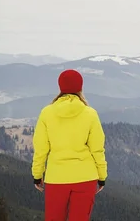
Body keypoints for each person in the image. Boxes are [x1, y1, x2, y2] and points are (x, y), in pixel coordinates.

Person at [31, 69, 107, 221]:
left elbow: (41, 149)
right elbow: (97, 149)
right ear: (81, 88)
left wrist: (37, 174)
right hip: (85, 178)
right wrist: (102, 176)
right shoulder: (90, 113)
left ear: (60, 87)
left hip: (56, 178)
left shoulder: (47, 113)